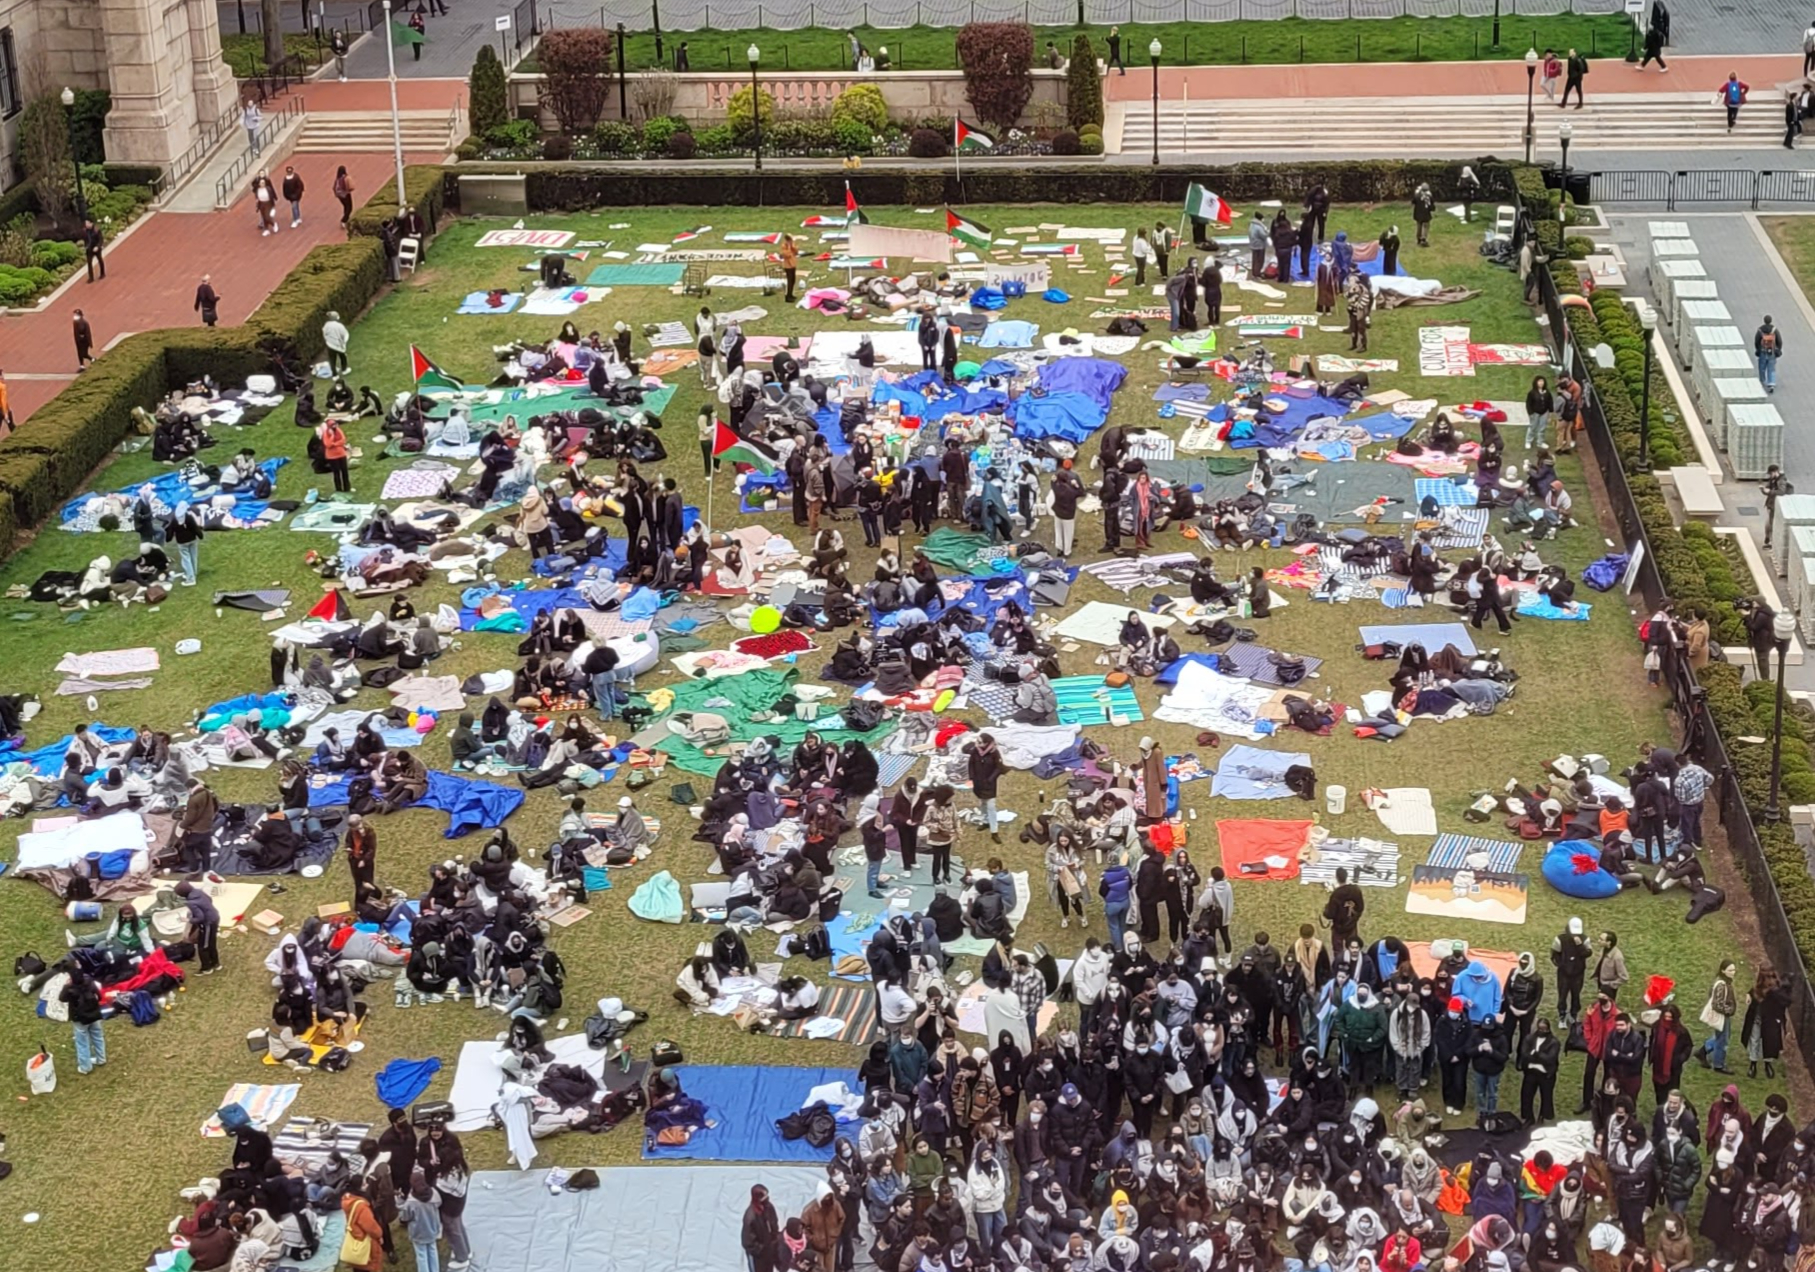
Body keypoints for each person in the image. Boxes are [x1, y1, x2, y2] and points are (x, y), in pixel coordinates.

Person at [1742, 965, 1790, 1078]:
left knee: (1769, 1042)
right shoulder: (1758, 987)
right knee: (1754, 1040)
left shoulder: (1776, 989)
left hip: (1770, 1021)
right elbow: (1753, 991)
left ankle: (1767, 1064)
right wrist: (1748, 995)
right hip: (1757, 1019)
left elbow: (1786, 1002)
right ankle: (1753, 1064)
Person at [59, 964, 106, 1074]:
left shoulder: (70, 989)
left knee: (82, 1042)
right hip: (94, 1015)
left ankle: (85, 1067)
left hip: (80, 1019)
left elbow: (62, 998)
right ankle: (101, 1059)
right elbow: (98, 995)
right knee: (98, 1036)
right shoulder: (89, 981)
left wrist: (66, 986)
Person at [1696, 959, 1739, 1073]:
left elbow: (1712, 994)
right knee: (1723, 1039)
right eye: (1730, 970)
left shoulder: (1722, 982)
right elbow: (1717, 1004)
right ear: (1723, 971)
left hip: (1723, 1016)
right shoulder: (1722, 985)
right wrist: (1729, 1010)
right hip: (1722, 1016)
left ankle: (1702, 1052)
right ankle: (1718, 1064)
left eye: (1734, 970)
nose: (1733, 972)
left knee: (1721, 1037)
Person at [400, 1170, 443, 1272]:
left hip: (418, 1232)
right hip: (432, 1228)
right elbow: (439, 1203)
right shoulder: (434, 1194)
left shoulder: (411, 1202)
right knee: (432, 1250)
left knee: (421, 1255)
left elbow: (405, 1217)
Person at [176, 880, 221, 974]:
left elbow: (200, 917)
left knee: (203, 946)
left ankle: (206, 968)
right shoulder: (199, 891)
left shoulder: (191, 902)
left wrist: (188, 920)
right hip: (215, 917)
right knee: (211, 943)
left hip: (207, 923)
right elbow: (209, 899)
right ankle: (216, 964)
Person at [320, 418, 351, 493]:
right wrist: (332, 436)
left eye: (335, 424)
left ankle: (347, 488)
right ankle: (339, 489)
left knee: (345, 472)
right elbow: (328, 444)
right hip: (332, 457)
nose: (335, 426)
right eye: (332, 425)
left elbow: (343, 440)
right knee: (336, 473)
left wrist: (334, 444)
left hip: (341, 454)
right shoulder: (326, 434)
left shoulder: (339, 430)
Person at [1755, 313, 1782, 392]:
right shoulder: (1774, 330)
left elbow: (1756, 341)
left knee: (1762, 367)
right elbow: (1779, 341)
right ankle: (1771, 383)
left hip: (1763, 351)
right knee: (1771, 368)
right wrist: (1778, 349)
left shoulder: (1760, 330)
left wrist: (1758, 349)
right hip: (1772, 351)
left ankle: (1762, 380)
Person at [323, 310, 350, 377]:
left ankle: (334, 375)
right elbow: (345, 334)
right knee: (343, 357)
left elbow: (325, 334)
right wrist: (343, 342)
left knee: (332, 360)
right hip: (338, 345)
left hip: (330, 345)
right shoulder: (339, 325)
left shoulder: (326, 325)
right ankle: (344, 370)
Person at [778, 233, 799, 303]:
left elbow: (796, 252)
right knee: (789, 281)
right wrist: (789, 248)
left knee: (793, 280)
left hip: (793, 264)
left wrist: (792, 247)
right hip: (787, 266)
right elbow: (786, 255)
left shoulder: (792, 245)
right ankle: (788, 296)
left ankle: (791, 294)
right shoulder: (784, 246)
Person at [82, 217, 104, 282]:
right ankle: (91, 277)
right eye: (85, 223)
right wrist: (85, 246)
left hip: (96, 248)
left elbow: (100, 239)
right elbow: (85, 239)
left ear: (91, 223)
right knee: (89, 263)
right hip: (89, 249)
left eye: (87, 223)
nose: (86, 224)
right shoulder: (85, 231)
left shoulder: (96, 230)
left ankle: (102, 273)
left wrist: (98, 246)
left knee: (100, 259)